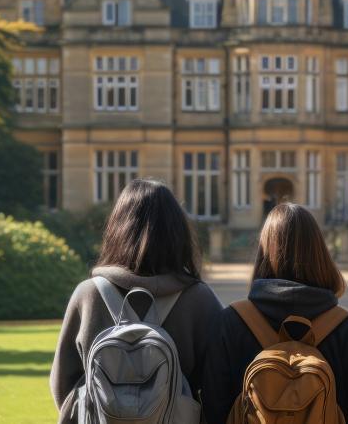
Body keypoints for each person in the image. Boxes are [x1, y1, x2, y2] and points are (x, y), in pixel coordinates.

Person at [50, 179, 223, 424]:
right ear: (177, 232)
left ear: (117, 229)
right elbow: (218, 386)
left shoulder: (88, 295)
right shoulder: (199, 299)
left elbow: (62, 383)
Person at [202, 203, 348, 424]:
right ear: (319, 253)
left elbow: (213, 407)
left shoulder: (232, 321)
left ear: (264, 251)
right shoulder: (343, 326)